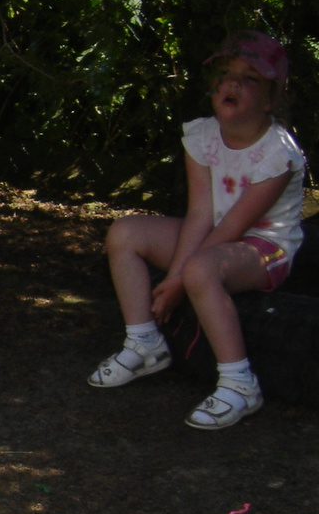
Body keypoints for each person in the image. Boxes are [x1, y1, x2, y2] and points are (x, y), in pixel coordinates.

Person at [88, 30, 307, 429]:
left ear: (271, 99)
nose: (233, 84)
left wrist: (178, 281)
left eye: (251, 78)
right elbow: (201, 215)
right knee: (125, 233)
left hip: (264, 247)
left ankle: (240, 383)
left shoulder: (278, 153)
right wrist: (175, 275)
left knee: (200, 270)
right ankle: (145, 342)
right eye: (226, 75)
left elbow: (237, 225)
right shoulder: (203, 136)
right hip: (214, 237)